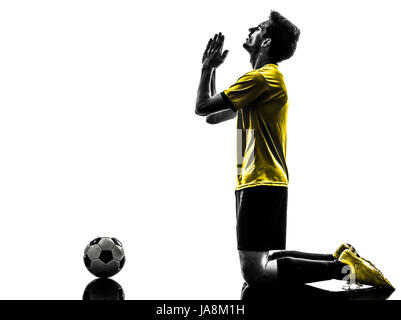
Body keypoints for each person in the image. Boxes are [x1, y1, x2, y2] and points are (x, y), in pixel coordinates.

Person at [195, 10, 393, 290]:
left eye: (260, 27)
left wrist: (206, 68)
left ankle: (343, 269)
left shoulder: (262, 79)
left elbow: (201, 106)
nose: (252, 28)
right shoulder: (257, 83)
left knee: (255, 274)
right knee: (266, 260)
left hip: (261, 180)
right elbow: (213, 116)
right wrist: (213, 70)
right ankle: (338, 258)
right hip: (255, 180)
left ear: (265, 43)